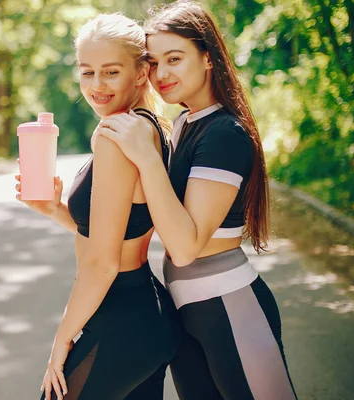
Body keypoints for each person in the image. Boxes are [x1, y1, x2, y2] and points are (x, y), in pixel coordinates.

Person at [96, 2, 298, 399]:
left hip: (230, 306)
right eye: (153, 63)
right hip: (188, 310)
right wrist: (59, 211)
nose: (162, 74)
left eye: (175, 58)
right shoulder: (186, 124)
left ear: (207, 58)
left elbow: (185, 246)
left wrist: (148, 158)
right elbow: (142, 223)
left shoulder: (224, 133)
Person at [15, 13, 181, 400]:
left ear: (141, 73)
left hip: (120, 320)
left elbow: (103, 262)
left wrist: (62, 340)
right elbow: (122, 231)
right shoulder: (147, 126)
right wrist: (56, 210)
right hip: (146, 312)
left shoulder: (114, 136)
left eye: (110, 72)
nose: (96, 85)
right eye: (87, 72)